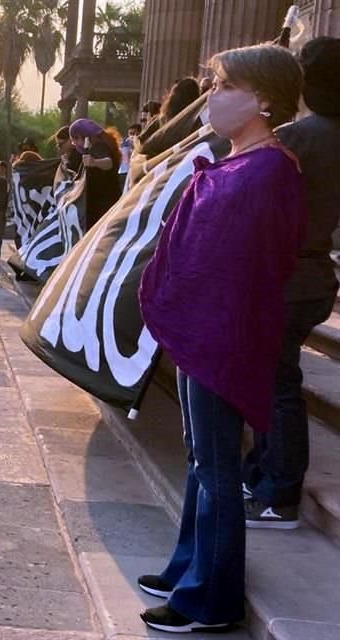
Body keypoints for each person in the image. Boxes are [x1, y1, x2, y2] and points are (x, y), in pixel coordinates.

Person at [136, 44, 305, 633]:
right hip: (199, 332)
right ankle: (188, 568)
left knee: (216, 467)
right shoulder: (234, 162)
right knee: (199, 459)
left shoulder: (271, 170)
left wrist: (212, 323)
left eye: (225, 85)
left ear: (261, 99)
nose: (212, 96)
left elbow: (255, 266)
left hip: (223, 338)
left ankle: (210, 600)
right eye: (212, 83)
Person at [242, 36, 340, 529]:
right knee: (272, 378)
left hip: (288, 276)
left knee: (277, 384)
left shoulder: (296, 137)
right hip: (315, 275)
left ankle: (280, 493)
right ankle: (262, 472)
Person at [69, 118, 123, 230]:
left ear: (83, 136)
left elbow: (108, 163)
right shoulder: (100, 145)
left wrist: (94, 162)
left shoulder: (99, 146)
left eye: (75, 139)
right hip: (106, 200)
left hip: (102, 203)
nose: (75, 144)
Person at [119, 124, 142, 190]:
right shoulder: (125, 143)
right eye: (130, 134)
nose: (132, 136)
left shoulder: (140, 143)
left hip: (133, 172)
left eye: (134, 134)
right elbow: (125, 158)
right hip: (123, 172)